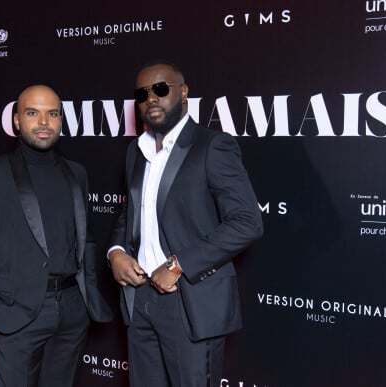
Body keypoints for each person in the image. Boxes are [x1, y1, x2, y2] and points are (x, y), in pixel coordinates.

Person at [108, 61, 263, 387]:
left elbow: (247, 222)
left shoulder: (212, 146)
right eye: (142, 93)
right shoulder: (135, 152)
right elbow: (131, 213)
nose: (151, 98)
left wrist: (178, 265)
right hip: (140, 298)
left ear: (183, 92)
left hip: (188, 299)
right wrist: (117, 251)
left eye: (161, 89)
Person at [0, 84, 112, 387]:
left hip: (71, 311)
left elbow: (86, 239)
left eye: (52, 114)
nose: (43, 122)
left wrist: (84, 297)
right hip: (15, 316)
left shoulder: (76, 172)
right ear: (16, 121)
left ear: (60, 121)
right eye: (32, 113)